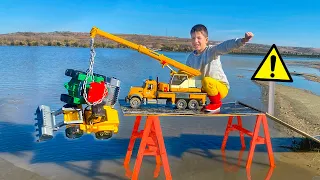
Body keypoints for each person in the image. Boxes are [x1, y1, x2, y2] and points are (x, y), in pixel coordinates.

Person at [186, 24, 254, 113]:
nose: (195, 41)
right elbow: (187, 73)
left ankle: (216, 104)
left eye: (199, 38)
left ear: (206, 40)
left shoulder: (212, 51)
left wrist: (243, 40)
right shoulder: (191, 57)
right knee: (192, 81)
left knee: (207, 80)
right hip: (205, 89)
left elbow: (225, 46)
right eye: (193, 38)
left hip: (220, 88)